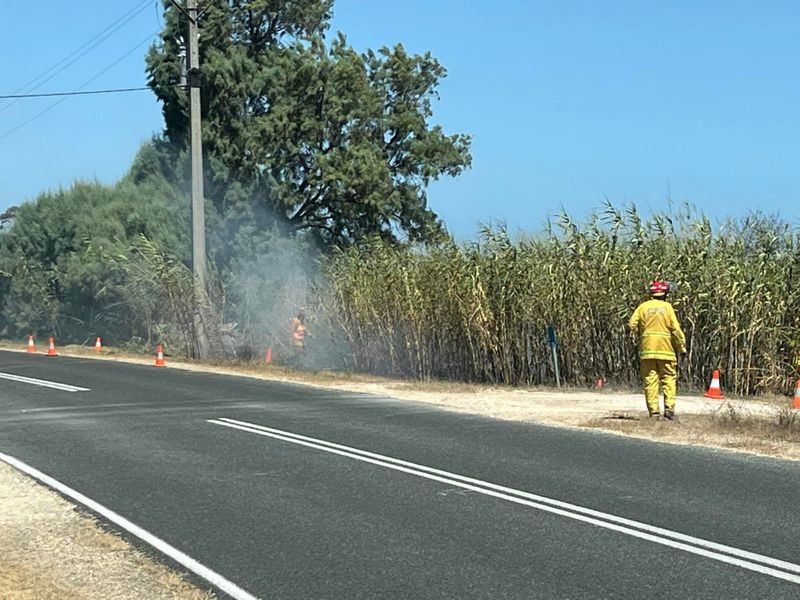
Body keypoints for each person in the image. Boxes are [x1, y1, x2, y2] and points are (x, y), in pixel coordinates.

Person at [628, 280, 687, 420]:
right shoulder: (667, 307)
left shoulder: (643, 307)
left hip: (647, 351)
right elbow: (675, 329)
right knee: (668, 379)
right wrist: (682, 347)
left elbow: (631, 324)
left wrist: (642, 330)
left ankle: (654, 412)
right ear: (665, 294)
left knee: (650, 381)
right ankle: (669, 410)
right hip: (666, 351)